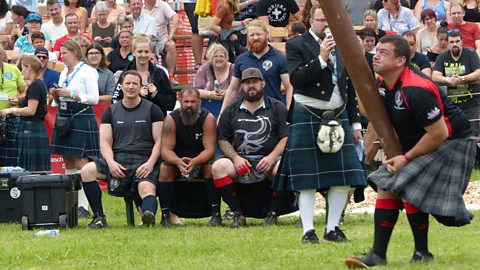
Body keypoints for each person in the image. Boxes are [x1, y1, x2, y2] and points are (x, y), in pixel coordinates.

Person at [345, 34, 474, 269]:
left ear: (401, 60)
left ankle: (421, 252)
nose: (376, 56)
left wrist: (406, 158)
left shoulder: (416, 89)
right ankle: (379, 254)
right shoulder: (387, 84)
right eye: (377, 51)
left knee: (405, 184)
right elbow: (371, 113)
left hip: (452, 141)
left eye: (384, 53)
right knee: (389, 184)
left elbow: (439, 133)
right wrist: (356, 80)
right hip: (427, 138)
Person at [272, 5, 366, 244]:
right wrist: (321, 59)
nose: (326, 24)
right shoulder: (296, 45)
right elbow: (297, 79)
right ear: (310, 20)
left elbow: (349, 86)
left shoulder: (344, 44)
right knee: (306, 179)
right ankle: (308, 230)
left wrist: (355, 123)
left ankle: (333, 228)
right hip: (308, 114)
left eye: (329, 20)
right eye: (321, 20)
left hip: (339, 113)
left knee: (343, 176)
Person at [80, 70, 164, 229]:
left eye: (135, 84)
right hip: (118, 160)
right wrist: (111, 163)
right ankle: (99, 218)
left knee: (146, 188)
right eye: (128, 83)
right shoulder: (110, 111)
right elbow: (104, 142)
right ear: (121, 86)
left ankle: (148, 217)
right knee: (87, 171)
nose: (131, 87)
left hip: (145, 158)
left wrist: (150, 164)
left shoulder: (153, 110)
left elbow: (160, 140)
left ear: (141, 87)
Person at [214, 67, 289, 227]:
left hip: (270, 160)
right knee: (219, 166)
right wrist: (235, 158)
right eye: (247, 83)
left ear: (263, 83)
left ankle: (273, 214)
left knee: (283, 167)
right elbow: (222, 140)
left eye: (254, 82)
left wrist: (271, 157)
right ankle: (237, 214)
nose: (251, 85)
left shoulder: (277, 107)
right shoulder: (231, 110)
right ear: (242, 86)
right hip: (241, 160)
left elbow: (286, 137)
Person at [50, 40, 99, 219]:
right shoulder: (63, 72)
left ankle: (83, 206)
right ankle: (72, 203)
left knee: (80, 162)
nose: (62, 57)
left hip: (81, 116)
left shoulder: (88, 71)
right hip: (64, 117)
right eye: (61, 53)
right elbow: (58, 102)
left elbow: (94, 98)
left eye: (65, 53)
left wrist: (71, 94)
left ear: (75, 53)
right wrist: (56, 96)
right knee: (68, 162)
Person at [157, 87, 219, 227]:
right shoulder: (170, 119)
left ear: (199, 102)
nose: (189, 105)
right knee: (164, 169)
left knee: (211, 168)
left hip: (201, 161)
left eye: (193, 102)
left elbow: (210, 150)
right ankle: (165, 216)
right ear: (180, 101)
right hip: (177, 161)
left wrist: (195, 161)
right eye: (186, 102)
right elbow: (165, 150)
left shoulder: (208, 118)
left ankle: (216, 215)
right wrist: (178, 161)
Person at [220, 20, 293, 112]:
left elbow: (289, 87)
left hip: (272, 112)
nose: (255, 38)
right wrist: (222, 113)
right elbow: (233, 90)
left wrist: (289, 112)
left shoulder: (279, 58)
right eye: (251, 35)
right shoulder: (241, 60)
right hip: (246, 113)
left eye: (259, 34)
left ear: (266, 34)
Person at [0, 55, 49, 171]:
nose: (21, 72)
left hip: (32, 127)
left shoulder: (36, 85)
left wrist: (11, 110)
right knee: (32, 169)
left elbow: (31, 110)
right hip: (32, 128)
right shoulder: (38, 83)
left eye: (22, 68)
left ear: (28, 67)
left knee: (32, 170)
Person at [111, 35, 176, 117]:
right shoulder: (125, 74)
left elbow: (171, 104)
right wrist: (135, 95)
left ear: (151, 52)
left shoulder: (159, 74)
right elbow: (115, 100)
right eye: (140, 51)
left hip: (156, 122)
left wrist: (156, 95)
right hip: (131, 120)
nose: (143, 55)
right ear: (134, 52)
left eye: (146, 52)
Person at [432, 29, 480, 137]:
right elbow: (434, 76)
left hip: (471, 102)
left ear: (462, 42)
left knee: (473, 136)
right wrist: (448, 80)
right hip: (451, 105)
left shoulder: (470, 53)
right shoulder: (443, 56)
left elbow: (478, 72)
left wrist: (462, 79)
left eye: (457, 41)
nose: (455, 44)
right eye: (452, 42)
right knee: (453, 136)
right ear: (448, 44)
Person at [0, 45, 27, 166]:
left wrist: (18, 99)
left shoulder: (13, 69)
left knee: (9, 161)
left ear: (3, 54)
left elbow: (25, 91)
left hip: (9, 119)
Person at [142, 0, 179, 84]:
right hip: (145, 39)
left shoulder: (163, 5)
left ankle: (171, 76)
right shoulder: (140, 6)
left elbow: (175, 17)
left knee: (171, 45)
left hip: (161, 39)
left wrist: (171, 33)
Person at [194, 43, 234, 119]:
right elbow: (196, 91)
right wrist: (211, 94)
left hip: (228, 105)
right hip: (208, 105)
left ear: (226, 58)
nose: (219, 59)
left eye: (221, 56)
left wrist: (225, 93)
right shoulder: (204, 69)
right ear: (210, 58)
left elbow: (238, 90)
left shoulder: (233, 68)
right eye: (215, 56)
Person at [183, 0, 204, 69]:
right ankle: (198, 62)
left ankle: (214, 58)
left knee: (213, 28)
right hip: (192, 2)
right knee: (195, 29)